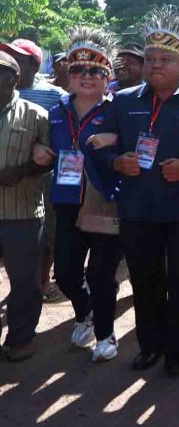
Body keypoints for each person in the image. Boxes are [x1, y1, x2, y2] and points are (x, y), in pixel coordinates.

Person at [91, 6, 179, 377]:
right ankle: (150, 345)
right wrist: (117, 162)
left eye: (165, 59)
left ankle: (177, 350)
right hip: (137, 206)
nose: (155, 66)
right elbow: (101, 145)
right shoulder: (124, 100)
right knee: (144, 277)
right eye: (150, 59)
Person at [35, 27, 122, 362]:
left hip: (105, 199)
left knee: (101, 273)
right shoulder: (56, 110)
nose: (86, 76)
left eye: (96, 71)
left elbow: (137, 147)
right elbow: (41, 142)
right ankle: (85, 312)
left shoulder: (118, 111)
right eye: (78, 70)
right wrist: (41, 148)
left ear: (108, 77)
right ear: (66, 75)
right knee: (68, 273)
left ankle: (106, 335)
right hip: (67, 201)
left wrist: (115, 142)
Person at [3, 38, 65, 303]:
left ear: (31, 64)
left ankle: (41, 280)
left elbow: (60, 140)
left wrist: (32, 161)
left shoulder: (53, 97)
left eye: (15, 56)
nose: (9, 57)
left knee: (42, 241)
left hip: (36, 189)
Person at [0, 50, 50, 361]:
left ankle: (20, 339)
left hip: (21, 213)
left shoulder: (35, 115)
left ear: (14, 78)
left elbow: (50, 161)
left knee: (24, 281)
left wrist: (20, 171)